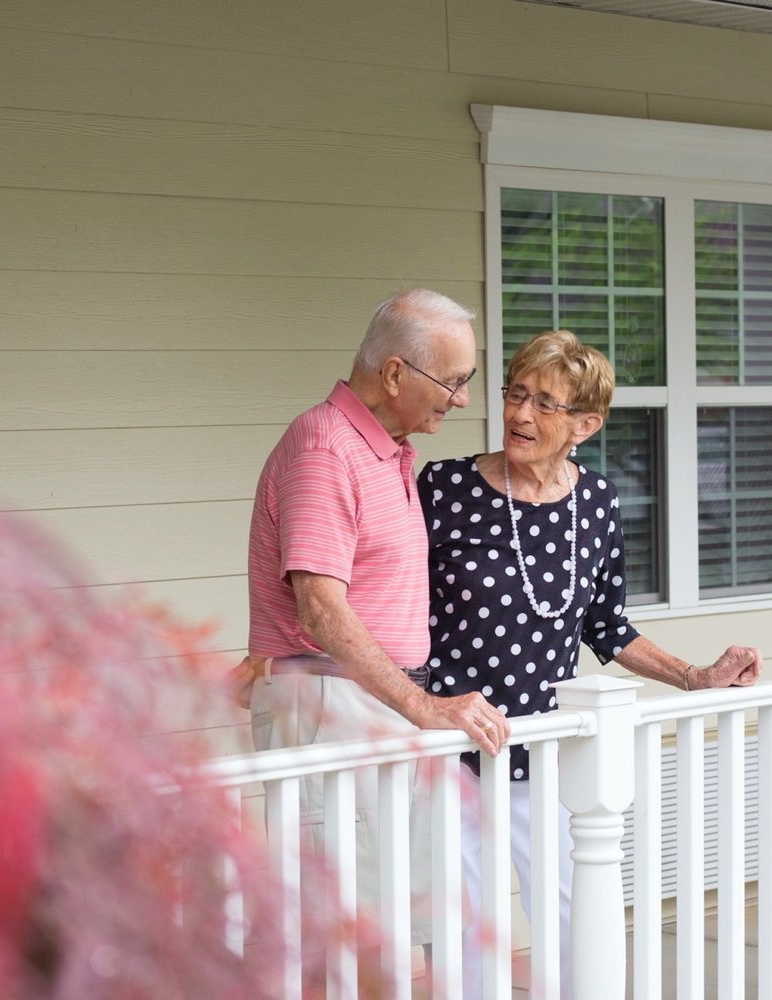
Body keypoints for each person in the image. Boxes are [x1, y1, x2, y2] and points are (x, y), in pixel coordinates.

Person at [417, 329, 762, 998]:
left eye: (545, 403)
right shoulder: (446, 487)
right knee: (461, 933)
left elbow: (607, 626)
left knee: (577, 921)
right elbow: (389, 598)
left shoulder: (596, 504)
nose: (520, 414)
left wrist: (694, 675)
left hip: (547, 756)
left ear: (586, 424)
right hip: (452, 753)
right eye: (516, 393)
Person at [242, 289, 511, 962]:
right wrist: (422, 703)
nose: (461, 400)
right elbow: (321, 609)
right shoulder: (326, 446)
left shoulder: (385, 453)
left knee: (392, 925)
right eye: (453, 382)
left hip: (374, 702)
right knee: (338, 933)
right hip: (332, 701)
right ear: (395, 374)